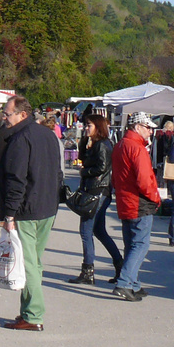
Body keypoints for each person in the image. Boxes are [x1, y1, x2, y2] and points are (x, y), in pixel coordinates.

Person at [0, 94, 62, 332]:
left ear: (22, 114)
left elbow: (17, 180)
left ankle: (34, 315)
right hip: (46, 207)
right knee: (34, 262)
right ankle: (28, 312)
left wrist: (9, 215)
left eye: (8, 113)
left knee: (28, 264)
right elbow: (58, 173)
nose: (5, 117)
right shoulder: (48, 134)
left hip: (28, 210)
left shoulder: (20, 139)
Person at [111, 112, 161, 301]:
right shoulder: (137, 148)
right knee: (140, 244)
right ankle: (124, 283)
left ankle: (133, 283)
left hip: (125, 200)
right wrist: (155, 197)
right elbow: (144, 179)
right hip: (139, 201)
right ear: (138, 127)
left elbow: (116, 176)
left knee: (131, 244)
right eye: (148, 128)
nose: (150, 132)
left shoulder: (120, 145)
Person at [69, 114, 122, 284]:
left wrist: (84, 172)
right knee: (99, 231)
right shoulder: (94, 144)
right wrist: (84, 141)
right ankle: (120, 265)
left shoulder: (103, 145)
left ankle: (88, 271)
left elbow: (101, 167)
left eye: (89, 125)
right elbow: (85, 158)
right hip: (95, 191)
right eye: (85, 125)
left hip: (98, 192)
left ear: (98, 127)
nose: (86, 128)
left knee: (86, 231)